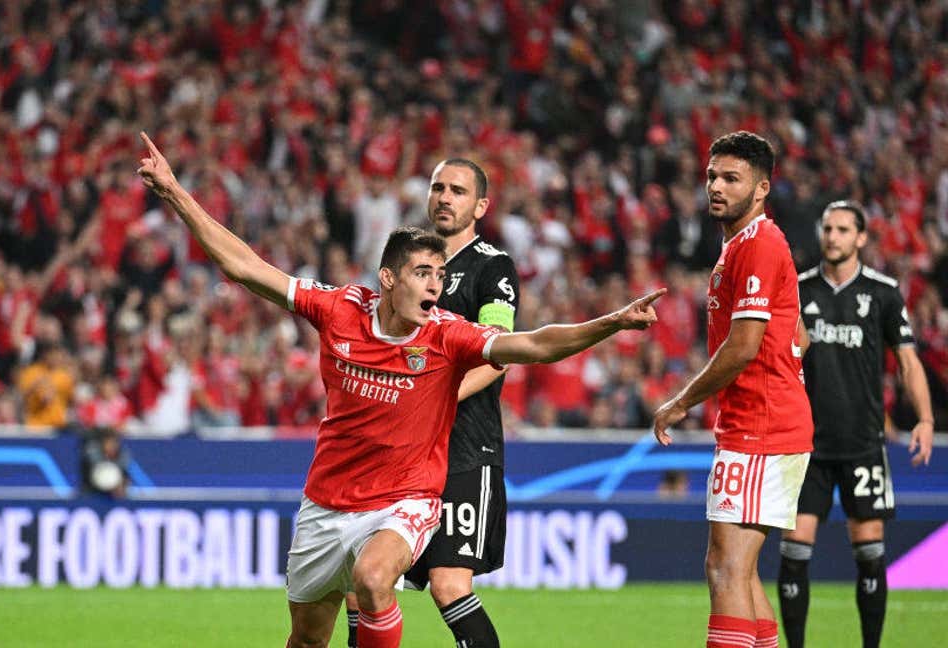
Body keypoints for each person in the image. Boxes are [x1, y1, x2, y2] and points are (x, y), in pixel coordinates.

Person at [136, 132, 662, 648]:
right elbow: (244, 266)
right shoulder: (339, 308)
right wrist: (176, 193)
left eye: (440, 274)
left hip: (405, 500)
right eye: (423, 273)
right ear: (388, 279)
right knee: (307, 637)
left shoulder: (447, 334)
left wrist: (610, 322)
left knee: (373, 579)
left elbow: (534, 345)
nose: (436, 285)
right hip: (328, 502)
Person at [343, 158, 517, 648]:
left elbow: (497, 352)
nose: (444, 197)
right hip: (401, 450)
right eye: (438, 187)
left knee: (448, 582)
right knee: (362, 583)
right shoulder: (414, 260)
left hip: (464, 448)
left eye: (458, 191)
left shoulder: (492, 267)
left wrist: (433, 397)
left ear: (480, 205)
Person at [652, 131, 813, 648]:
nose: (716, 187)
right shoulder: (742, 245)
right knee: (739, 572)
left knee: (724, 568)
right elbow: (799, 336)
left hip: (759, 426)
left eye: (731, 178)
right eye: (711, 177)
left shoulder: (760, 243)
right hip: (766, 420)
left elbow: (744, 346)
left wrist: (681, 402)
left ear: (762, 187)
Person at [776, 200, 935, 648]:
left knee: (869, 555)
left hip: (863, 442)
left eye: (844, 229)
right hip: (805, 445)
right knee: (793, 554)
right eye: (828, 228)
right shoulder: (799, 290)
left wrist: (923, 417)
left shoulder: (883, 292)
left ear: (861, 238)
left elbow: (908, 361)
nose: (833, 236)